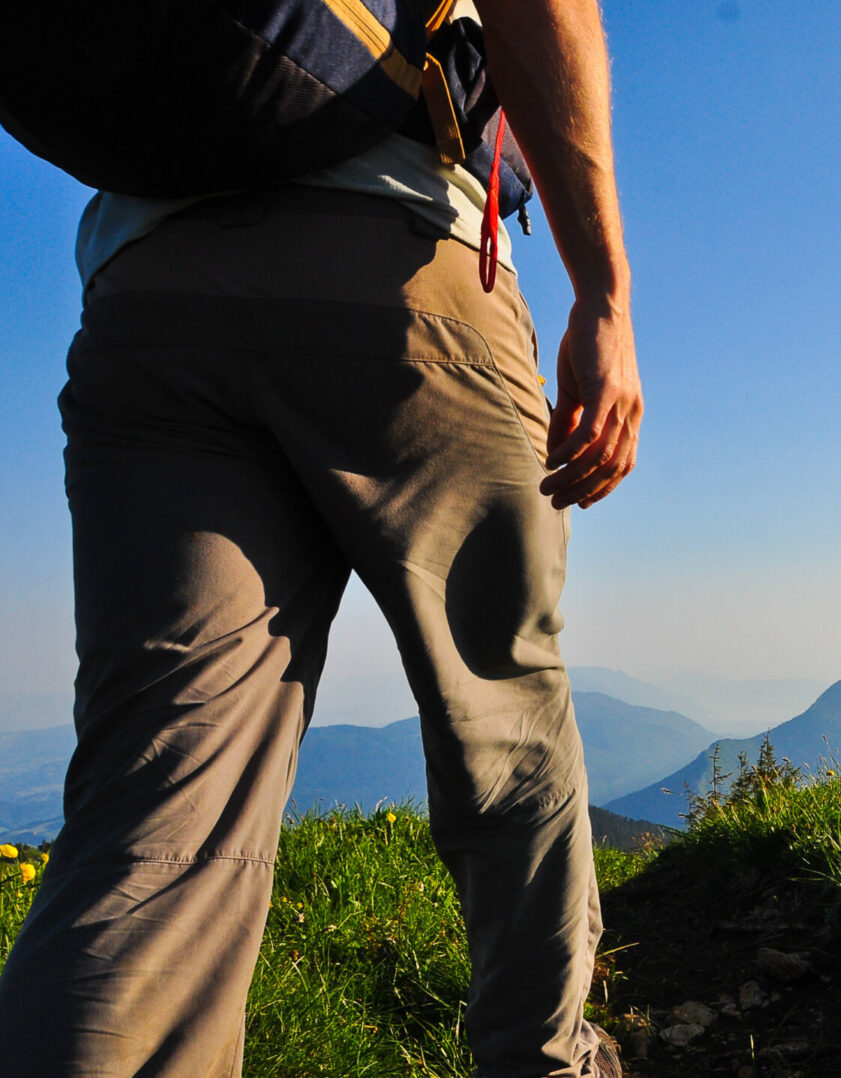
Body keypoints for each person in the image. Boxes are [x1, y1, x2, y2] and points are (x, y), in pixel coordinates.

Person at [0, 1, 642, 1075]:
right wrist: (606, 297)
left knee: (158, 793)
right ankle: (546, 1061)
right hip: (401, 269)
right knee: (504, 714)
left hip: (147, 304)